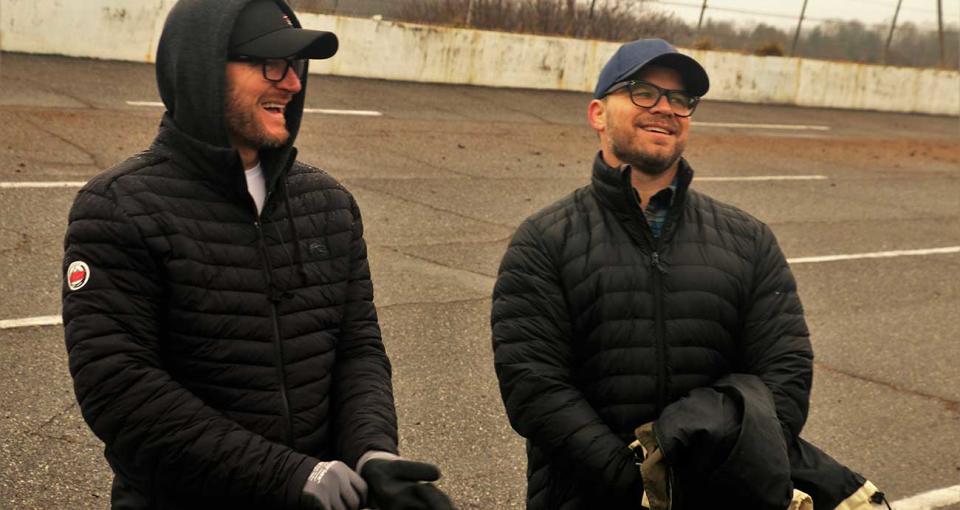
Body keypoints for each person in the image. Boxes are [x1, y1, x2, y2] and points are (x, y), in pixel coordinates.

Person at [61, 1, 454, 509]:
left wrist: (371, 451)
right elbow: (120, 391)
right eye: (271, 64)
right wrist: (290, 477)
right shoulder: (118, 207)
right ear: (202, 68)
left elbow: (357, 350)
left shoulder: (329, 204)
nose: (291, 84)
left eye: (296, 67)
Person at [490, 39, 888, 509]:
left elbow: (786, 373)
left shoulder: (747, 239)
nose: (665, 108)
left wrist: (716, 470)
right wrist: (639, 485)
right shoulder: (545, 239)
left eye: (680, 99)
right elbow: (535, 388)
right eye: (643, 92)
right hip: (590, 496)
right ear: (598, 113)